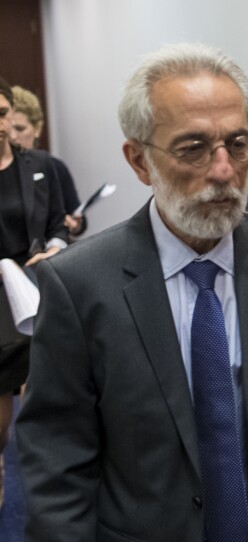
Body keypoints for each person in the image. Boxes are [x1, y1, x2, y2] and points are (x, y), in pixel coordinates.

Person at [15, 43, 248, 541]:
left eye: (238, 144)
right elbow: (60, 469)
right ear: (139, 161)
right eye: (193, 148)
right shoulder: (79, 285)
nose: (224, 170)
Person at [0, 76, 68, 510]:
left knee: (42, 396)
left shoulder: (40, 165)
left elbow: (59, 224)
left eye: (2, 113)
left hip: (30, 293)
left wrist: (55, 250)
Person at [10, 85, 86, 236]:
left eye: (20, 129)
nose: (13, 137)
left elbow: (78, 218)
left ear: (37, 128)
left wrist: (75, 224)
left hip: (51, 251)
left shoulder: (54, 166)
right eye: (9, 129)